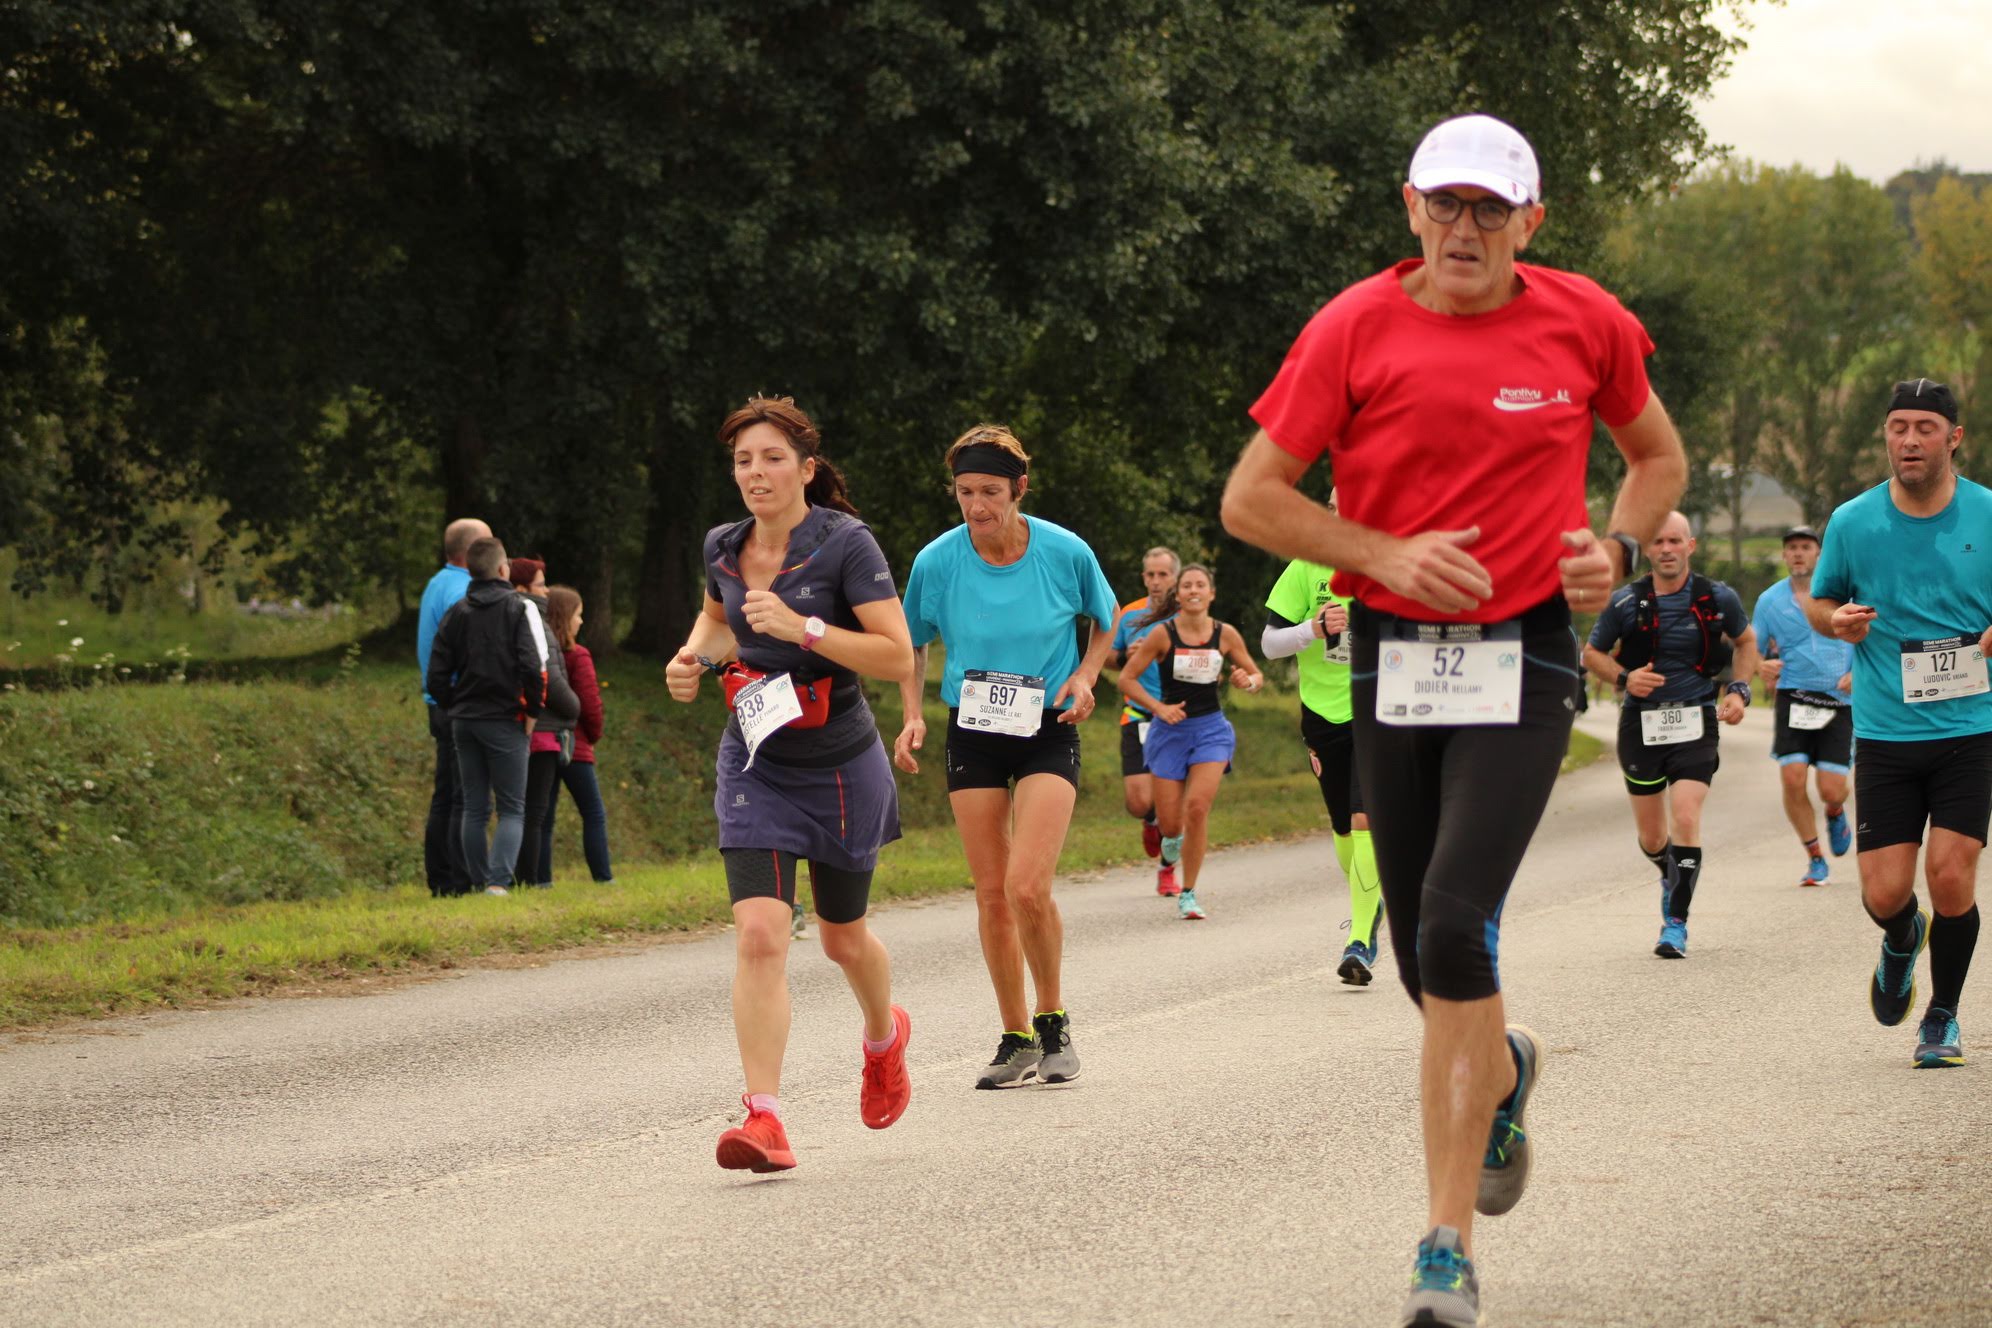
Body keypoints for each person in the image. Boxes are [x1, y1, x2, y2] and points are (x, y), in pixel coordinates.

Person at [1219, 113, 1687, 1328]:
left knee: (1450, 922)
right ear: (1411, 207)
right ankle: (1506, 1066)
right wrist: (1381, 552)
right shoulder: (1353, 326)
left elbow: (1657, 458)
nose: (1465, 228)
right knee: (1430, 967)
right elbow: (1251, 498)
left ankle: (1445, 1246)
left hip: (1523, 652)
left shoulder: (1585, 321)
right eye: (1446, 204)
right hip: (1393, 655)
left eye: (1491, 208)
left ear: (1531, 221)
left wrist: (1613, 548)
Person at [664, 395, 914, 1172]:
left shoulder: (845, 545)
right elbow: (718, 619)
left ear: (806, 469)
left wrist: (804, 628)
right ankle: (765, 1119)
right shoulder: (723, 545)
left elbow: (896, 655)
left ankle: (885, 1037)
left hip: (840, 764)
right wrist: (694, 657)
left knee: (842, 938)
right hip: (757, 759)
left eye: (772, 458)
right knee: (761, 934)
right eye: (743, 460)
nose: (756, 473)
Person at [895, 423, 1118, 1090]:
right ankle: (1016, 1036)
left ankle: (1053, 1020)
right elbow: (910, 641)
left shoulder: (1063, 551)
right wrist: (912, 714)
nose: (977, 505)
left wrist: (1086, 677)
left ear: (1019, 488)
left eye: (990, 491)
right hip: (974, 729)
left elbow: (1105, 617)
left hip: (1047, 726)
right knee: (993, 894)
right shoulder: (937, 561)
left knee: (1027, 886)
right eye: (965, 492)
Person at [1807, 378, 1992, 1070]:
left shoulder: (1987, 514)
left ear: (1954, 438)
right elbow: (1821, 601)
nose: (1909, 441)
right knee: (1885, 892)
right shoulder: (1853, 521)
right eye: (1898, 427)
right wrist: (1835, 620)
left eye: (1924, 428)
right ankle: (1901, 936)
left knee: (1950, 873)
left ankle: (1941, 1016)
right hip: (1886, 732)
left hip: (1970, 728)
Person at [1582, 511, 1758, 958]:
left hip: (1695, 720)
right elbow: (1592, 653)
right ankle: (1668, 870)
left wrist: (1739, 690)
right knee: (1653, 838)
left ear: (1690, 546)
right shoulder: (1625, 602)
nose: (1666, 549)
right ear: (1647, 549)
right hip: (1640, 724)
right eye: (1658, 541)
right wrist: (1625, 679)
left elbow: (1746, 641)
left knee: (1686, 816)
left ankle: (1675, 923)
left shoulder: (1717, 598)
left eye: (1675, 541)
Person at [1262, 530, 1385, 984]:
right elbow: (1270, 645)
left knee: (1363, 817)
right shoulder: (1305, 567)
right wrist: (1312, 629)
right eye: (1332, 508)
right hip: (1322, 713)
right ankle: (1370, 906)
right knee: (1342, 828)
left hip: (1380, 708)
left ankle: (1360, 940)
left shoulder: (1389, 563)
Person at [1116, 564, 1264, 920]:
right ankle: (1169, 846)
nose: (1194, 590)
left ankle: (1189, 892)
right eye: (1187, 586)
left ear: (1211, 593)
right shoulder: (1163, 635)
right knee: (1170, 825)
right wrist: (1158, 708)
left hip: (1211, 730)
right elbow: (1126, 679)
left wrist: (1248, 682)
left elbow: (1256, 674)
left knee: (1197, 808)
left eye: (1200, 585)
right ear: (1178, 595)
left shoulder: (1225, 634)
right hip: (1169, 733)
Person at [426, 537, 551, 896]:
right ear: (502, 569)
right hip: (505, 718)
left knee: (474, 806)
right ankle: (497, 883)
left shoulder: (457, 612)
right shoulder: (519, 609)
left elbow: (435, 674)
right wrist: (532, 710)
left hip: (464, 720)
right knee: (512, 807)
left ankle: (479, 880)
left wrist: (453, 705)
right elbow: (533, 666)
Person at [1751, 525, 1855, 887]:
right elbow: (1751, 648)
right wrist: (1760, 665)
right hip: (1793, 696)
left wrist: (1857, 672)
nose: (1798, 553)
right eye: (1792, 547)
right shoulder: (1769, 601)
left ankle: (1835, 811)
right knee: (1792, 777)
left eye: (1805, 547)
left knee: (1832, 789)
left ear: (1819, 554)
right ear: (1784, 555)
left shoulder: (1841, 595)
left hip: (1838, 699)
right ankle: (1815, 858)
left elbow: (1870, 637)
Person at [417, 517, 490, 897]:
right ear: (473, 550)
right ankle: (459, 881)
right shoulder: (463, 592)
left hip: (439, 701)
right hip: (458, 702)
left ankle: (441, 877)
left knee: (445, 793)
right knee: (464, 795)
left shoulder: (436, 583)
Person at [1106, 547, 1181, 891]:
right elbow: (1107, 657)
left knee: (1173, 804)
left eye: (1163, 574)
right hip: (1139, 714)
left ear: (1175, 578)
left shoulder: (1188, 614)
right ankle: (1150, 820)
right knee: (1138, 802)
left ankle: (1168, 869)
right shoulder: (1131, 614)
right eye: (1150, 574)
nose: (1156, 581)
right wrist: (1126, 657)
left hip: (1179, 715)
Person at [510, 558, 581, 888]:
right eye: (541, 584)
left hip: (535, 728)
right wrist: (574, 707)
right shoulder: (533, 620)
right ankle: (529, 880)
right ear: (522, 588)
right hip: (542, 730)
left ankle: (529, 878)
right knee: (534, 812)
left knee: (528, 811)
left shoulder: (521, 616)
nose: (547, 590)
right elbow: (548, 677)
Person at [537, 585, 614, 885]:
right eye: (578, 615)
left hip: (543, 743)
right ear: (565, 616)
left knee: (543, 815)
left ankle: (541, 880)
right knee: (593, 812)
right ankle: (602, 877)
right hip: (575, 744)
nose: (581, 621)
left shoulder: (541, 654)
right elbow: (590, 703)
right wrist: (593, 735)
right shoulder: (578, 655)